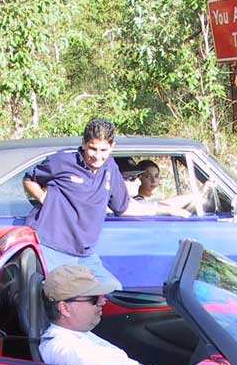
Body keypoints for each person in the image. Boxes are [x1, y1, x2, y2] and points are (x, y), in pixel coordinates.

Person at [22, 118, 188, 288]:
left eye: (103, 150)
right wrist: (42, 197)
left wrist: (164, 209)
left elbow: (124, 207)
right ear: (84, 143)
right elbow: (29, 179)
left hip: (85, 253)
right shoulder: (62, 161)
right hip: (52, 246)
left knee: (111, 289)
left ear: (112, 146)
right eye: (93, 149)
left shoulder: (110, 168)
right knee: (63, 297)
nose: (97, 156)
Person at [39, 263, 158, 365]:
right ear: (65, 308)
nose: (103, 301)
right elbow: (84, 359)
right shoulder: (58, 346)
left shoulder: (78, 333)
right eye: (94, 298)